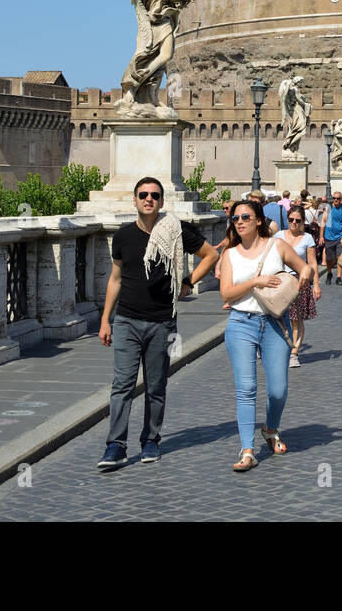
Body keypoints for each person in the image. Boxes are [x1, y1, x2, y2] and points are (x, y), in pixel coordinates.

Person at [98, 176, 219, 469]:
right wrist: (105, 320)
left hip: (162, 322)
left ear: (162, 201)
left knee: (156, 386)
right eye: (143, 194)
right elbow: (115, 279)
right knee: (122, 385)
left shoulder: (175, 232)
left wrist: (188, 282)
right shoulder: (124, 236)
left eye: (154, 195)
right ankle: (116, 445)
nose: (148, 199)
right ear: (135, 200)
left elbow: (211, 253)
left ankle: (151, 439)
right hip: (127, 320)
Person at [218, 199, 315, 471]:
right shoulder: (230, 254)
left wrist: (304, 276)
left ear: (258, 220)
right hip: (241, 323)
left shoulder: (277, 246)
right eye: (235, 218)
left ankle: (270, 428)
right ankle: (247, 450)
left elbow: (303, 266)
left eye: (245, 216)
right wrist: (255, 282)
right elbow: (226, 293)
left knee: (278, 390)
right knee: (246, 389)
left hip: (275, 323)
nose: (239, 221)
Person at [278, 205, 322, 367]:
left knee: (296, 319)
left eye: (298, 220)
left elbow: (312, 263)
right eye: (291, 220)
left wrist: (316, 284)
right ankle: (280, 347)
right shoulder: (278, 236)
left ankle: (294, 354)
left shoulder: (307, 238)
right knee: (278, 318)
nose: (294, 223)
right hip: (280, 282)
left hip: (299, 283)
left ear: (303, 221)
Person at [321, 192, 342, 285]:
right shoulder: (328, 208)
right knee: (329, 258)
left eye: (338, 198)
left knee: (339, 257)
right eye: (334, 198)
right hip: (329, 236)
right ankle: (329, 273)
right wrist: (321, 236)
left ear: (341, 199)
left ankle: (339, 277)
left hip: (340, 237)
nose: (335, 200)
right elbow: (323, 222)